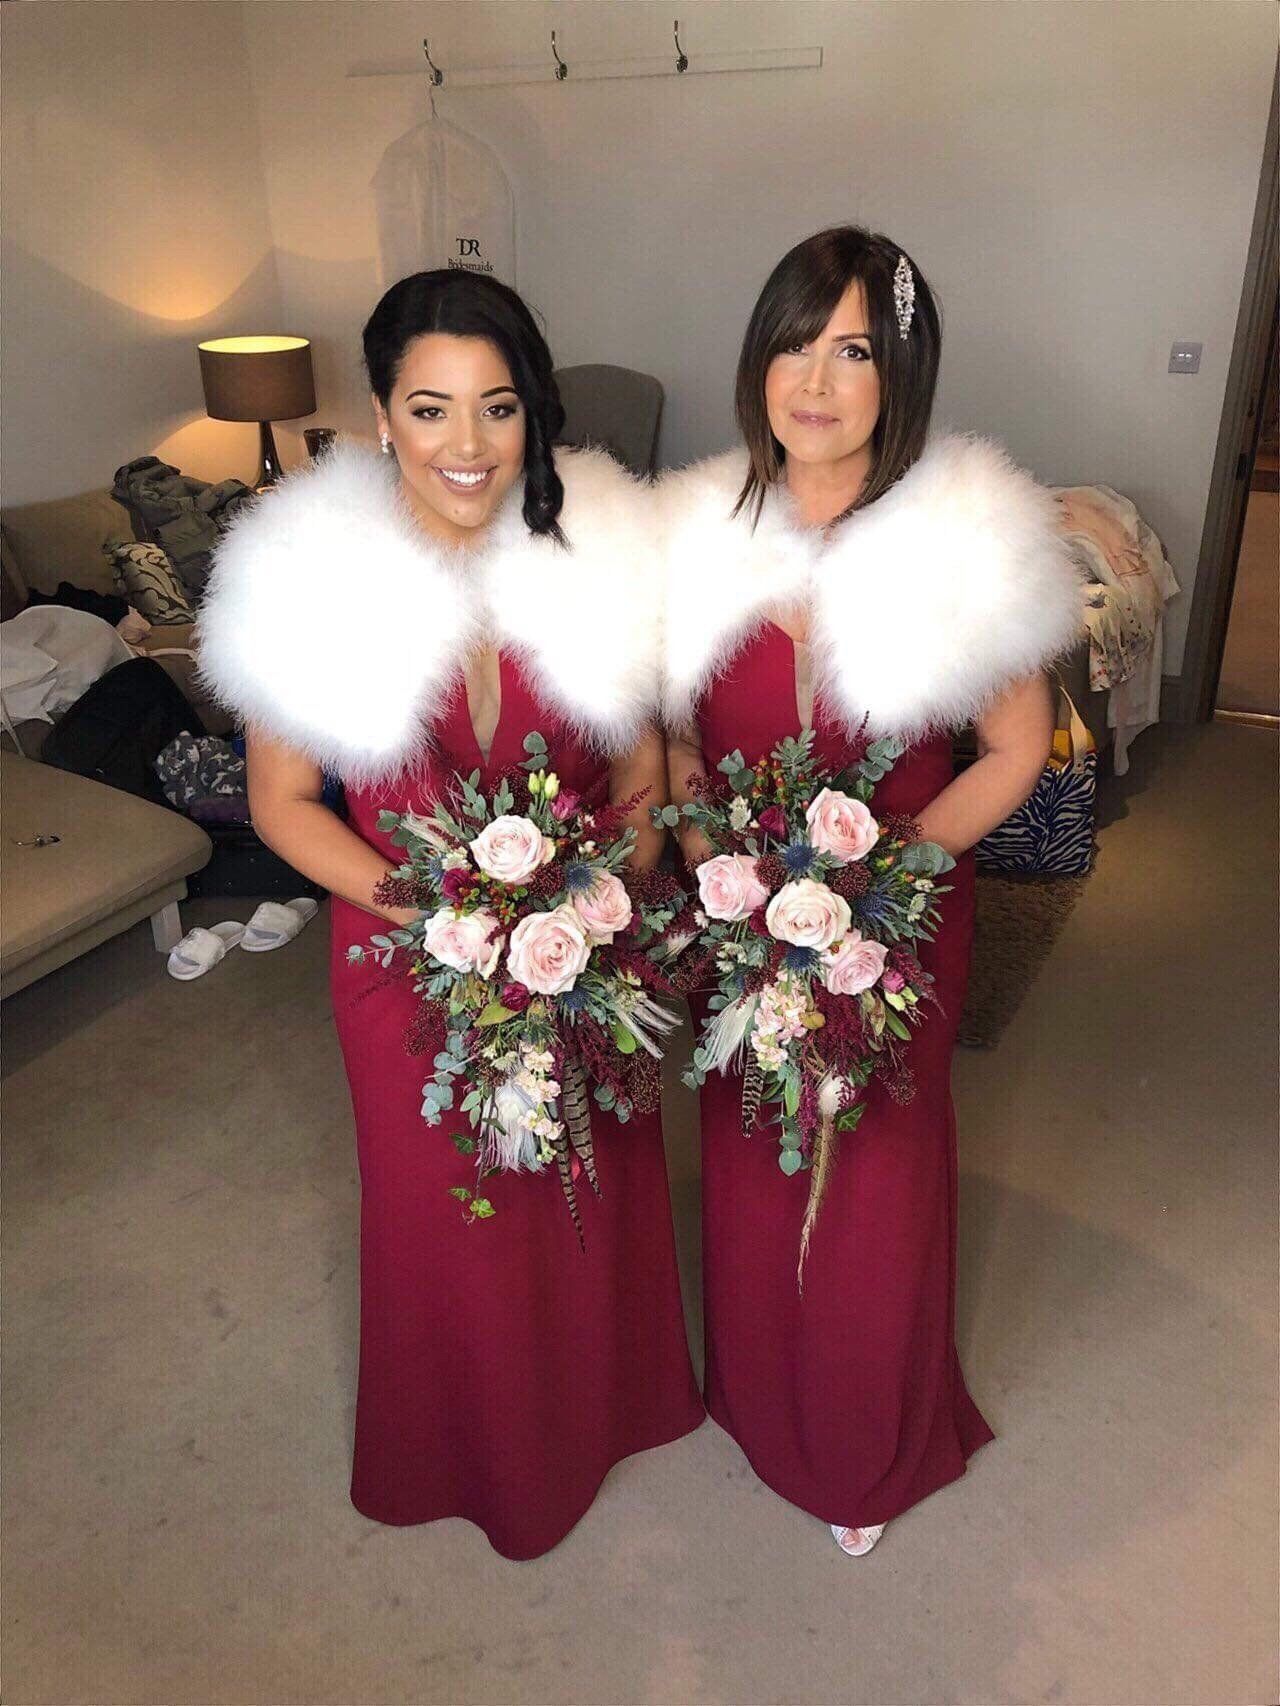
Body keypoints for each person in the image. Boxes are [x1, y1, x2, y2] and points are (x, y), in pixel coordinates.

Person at [197, 270, 702, 1560]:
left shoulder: (605, 549)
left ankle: (610, 1405)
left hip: (586, 942)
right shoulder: (304, 574)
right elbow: (282, 804)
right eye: (430, 409)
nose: (466, 444)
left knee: (588, 1178)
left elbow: (642, 774)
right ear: (382, 416)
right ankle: (482, 1457)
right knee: (451, 1208)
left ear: (534, 412)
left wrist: (600, 886)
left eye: (498, 406)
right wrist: (441, 911)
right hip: (399, 955)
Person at [659, 226, 1081, 1556]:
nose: (816, 380)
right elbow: (673, 737)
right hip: (741, 920)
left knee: (876, 1181)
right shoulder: (695, 530)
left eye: (852, 349)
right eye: (795, 343)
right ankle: (757, 1397)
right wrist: (706, 853)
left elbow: (1014, 748)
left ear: (901, 371)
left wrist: (884, 877)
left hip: (897, 923)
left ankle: (860, 1442)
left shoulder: (965, 538)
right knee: (747, 1157)